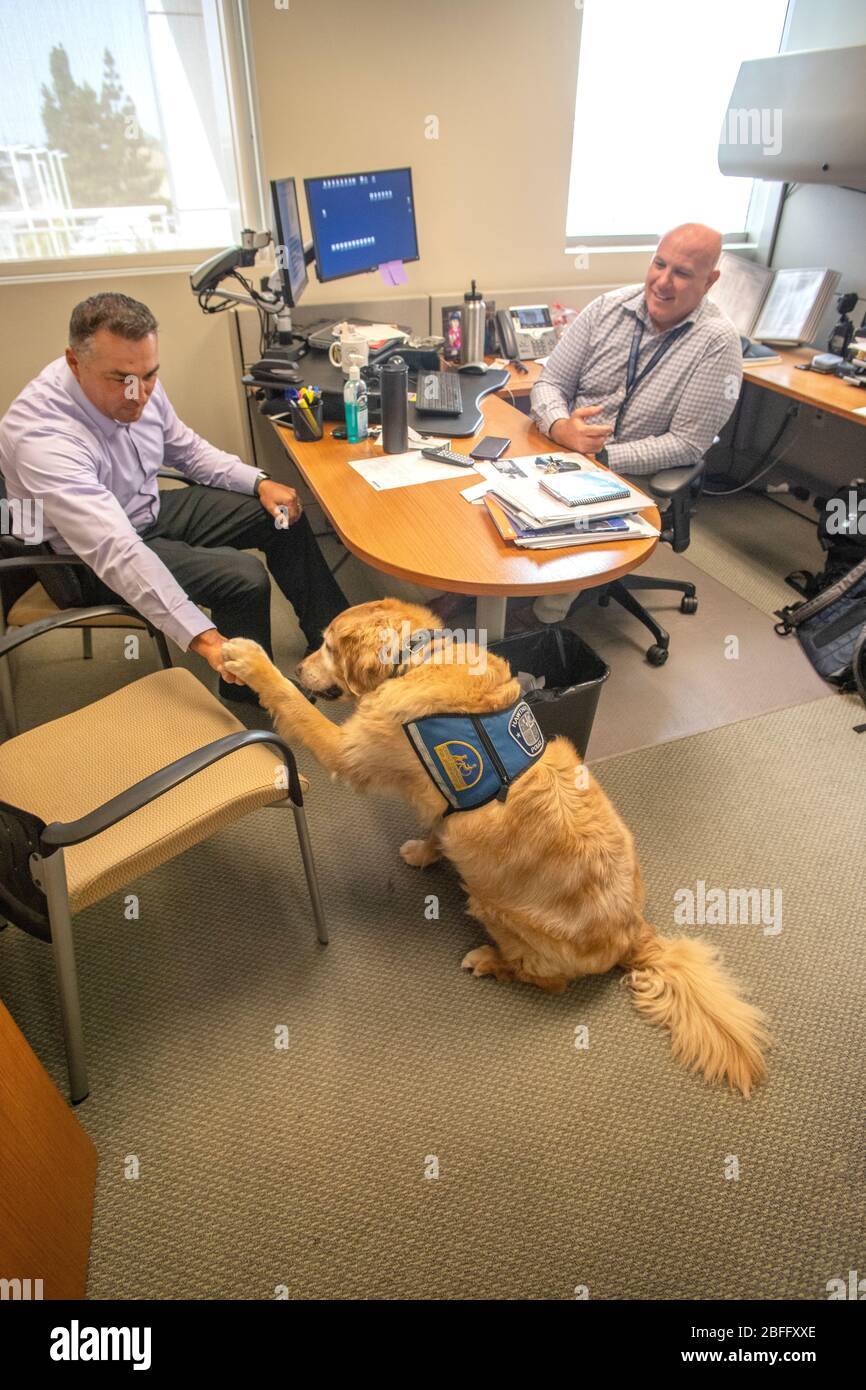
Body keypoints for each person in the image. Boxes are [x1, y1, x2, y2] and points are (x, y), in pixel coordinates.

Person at [0, 292, 348, 701]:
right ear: (75, 363)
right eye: (122, 380)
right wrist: (203, 639)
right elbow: (116, 549)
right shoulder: (43, 436)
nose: (139, 394)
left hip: (143, 511)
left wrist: (258, 481)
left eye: (149, 375)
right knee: (242, 577)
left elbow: (188, 450)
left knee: (281, 513)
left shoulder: (137, 378)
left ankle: (335, 647)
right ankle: (251, 688)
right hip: (86, 560)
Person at [526, 223, 742, 625]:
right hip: (565, 452)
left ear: (710, 281)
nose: (663, 281)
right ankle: (473, 594)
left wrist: (603, 454)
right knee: (496, 500)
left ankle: (538, 630)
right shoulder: (608, 308)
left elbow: (687, 444)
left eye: (681, 273)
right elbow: (550, 381)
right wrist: (559, 426)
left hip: (633, 477)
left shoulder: (717, 343)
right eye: (659, 264)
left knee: (568, 530)